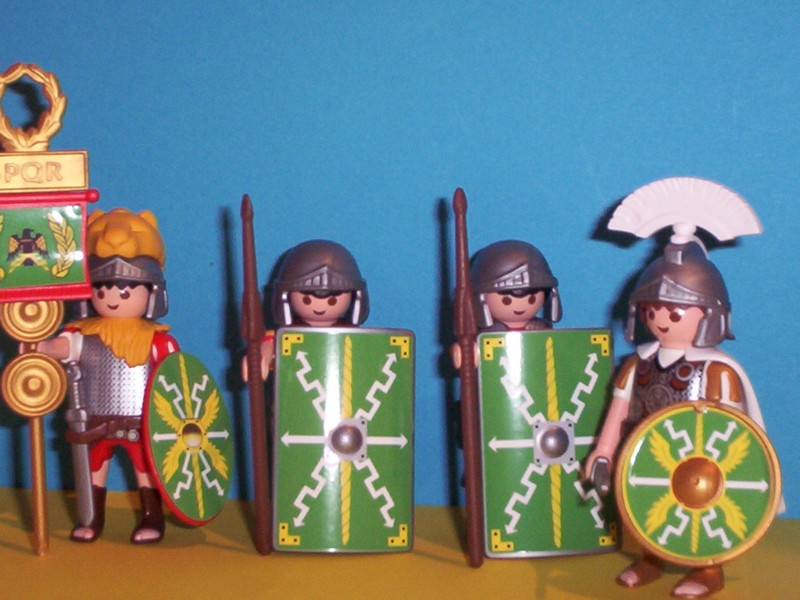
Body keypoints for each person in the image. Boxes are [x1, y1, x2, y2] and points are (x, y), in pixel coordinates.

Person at [38, 208, 176, 544]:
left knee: (146, 469)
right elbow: (60, 348)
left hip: (143, 421)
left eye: (125, 290)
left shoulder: (159, 341)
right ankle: (92, 517)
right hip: (94, 419)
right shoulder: (83, 335)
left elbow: (177, 381)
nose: (112, 298)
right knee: (92, 470)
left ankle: (152, 517)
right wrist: (38, 343)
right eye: (102, 290)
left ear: (152, 292)